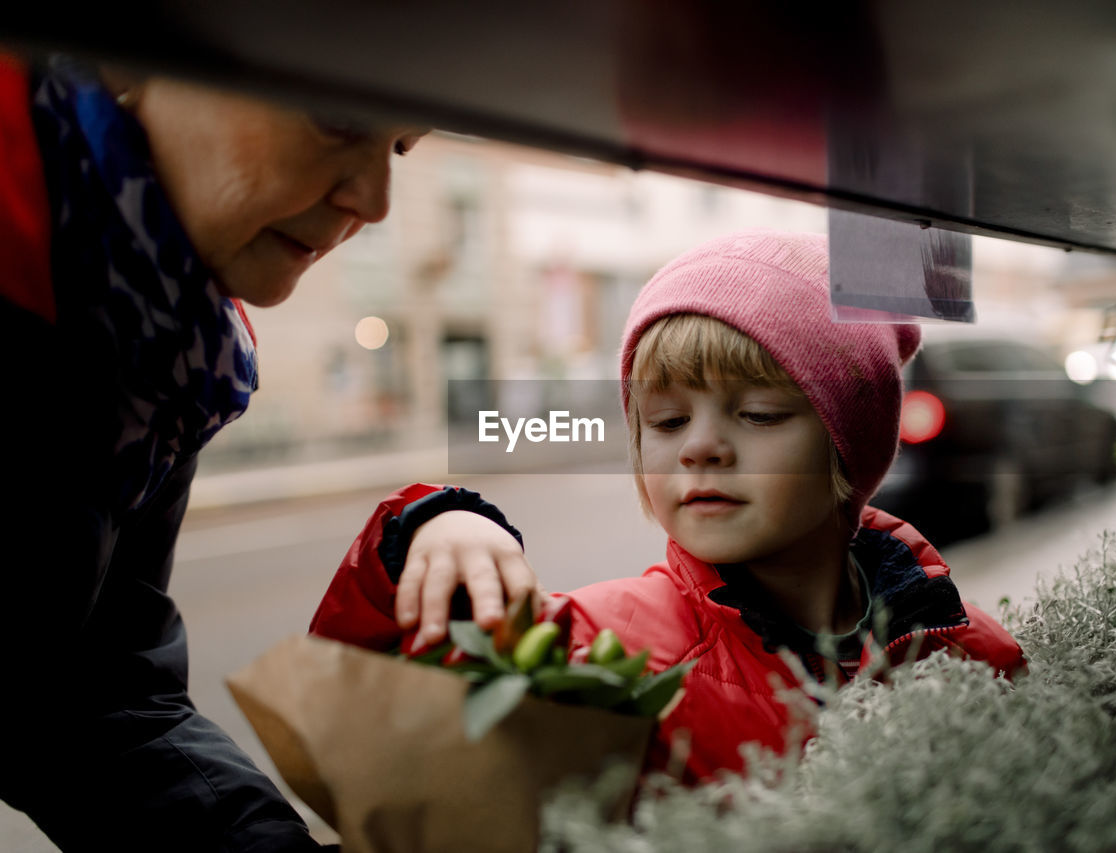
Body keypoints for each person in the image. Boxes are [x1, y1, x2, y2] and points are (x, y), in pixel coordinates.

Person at [0, 52, 536, 850]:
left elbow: (95, 690)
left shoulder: (163, 354)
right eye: (339, 117)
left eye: (400, 147)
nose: (377, 203)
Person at [312, 230, 1026, 783]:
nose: (701, 449)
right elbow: (368, 711)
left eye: (758, 413)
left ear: (850, 444)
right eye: (667, 421)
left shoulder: (964, 649)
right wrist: (426, 527)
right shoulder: (601, 647)